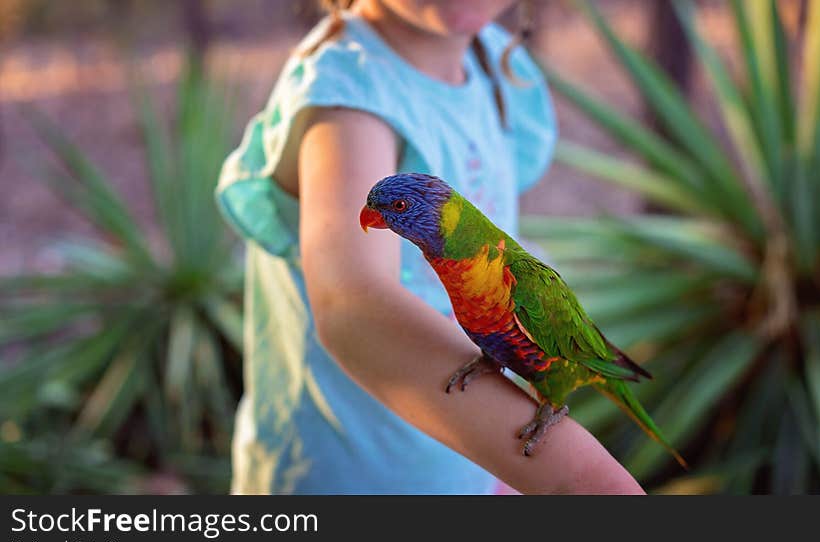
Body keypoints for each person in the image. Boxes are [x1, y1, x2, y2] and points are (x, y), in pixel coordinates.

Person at [216, 0, 645, 494]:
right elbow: (351, 306)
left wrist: (499, 469)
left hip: (467, 465)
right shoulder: (349, 102)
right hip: (352, 480)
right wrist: (575, 475)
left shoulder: (495, 66)